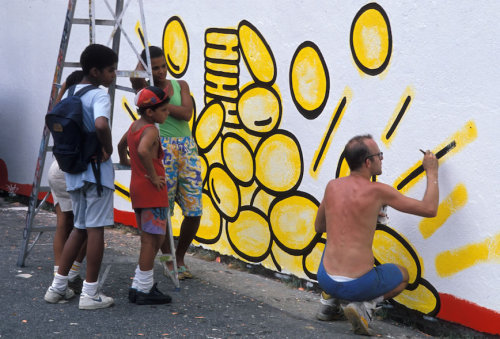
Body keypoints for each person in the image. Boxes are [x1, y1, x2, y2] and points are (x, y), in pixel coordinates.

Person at [314, 134, 439, 335]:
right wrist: (432, 172)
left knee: (335, 243)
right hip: (357, 286)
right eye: (379, 155)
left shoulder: (332, 186)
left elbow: (319, 227)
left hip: (325, 278)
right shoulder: (378, 192)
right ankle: (364, 307)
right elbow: (429, 209)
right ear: (368, 162)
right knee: (403, 276)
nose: (382, 159)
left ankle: (329, 303)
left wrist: (359, 218)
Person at [44, 44, 118, 310]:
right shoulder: (99, 94)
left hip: (73, 170)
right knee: (96, 230)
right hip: (95, 173)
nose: (113, 75)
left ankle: (57, 287)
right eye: (110, 70)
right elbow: (100, 123)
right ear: (96, 71)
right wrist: (107, 148)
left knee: (80, 227)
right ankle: (90, 294)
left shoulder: (71, 90)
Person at [131, 46, 202, 280]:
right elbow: (134, 78)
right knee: (163, 209)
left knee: (194, 210)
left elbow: (186, 113)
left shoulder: (181, 85)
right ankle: (169, 259)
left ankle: (180, 255)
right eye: (155, 68)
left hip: (187, 150)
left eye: (163, 66)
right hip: (161, 150)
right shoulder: (143, 88)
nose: (161, 72)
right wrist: (144, 72)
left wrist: (157, 102)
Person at [117, 86, 172, 305]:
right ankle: (144, 289)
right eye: (165, 110)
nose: (167, 113)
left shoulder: (133, 126)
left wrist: (124, 161)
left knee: (151, 238)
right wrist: (153, 175)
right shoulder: (151, 130)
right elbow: (141, 150)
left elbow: (122, 145)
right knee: (152, 240)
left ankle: (140, 284)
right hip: (152, 190)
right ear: (151, 112)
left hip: (138, 188)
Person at [48, 70, 87, 294]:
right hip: (71, 171)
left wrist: (64, 87)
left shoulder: (61, 108)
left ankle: (59, 273)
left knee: (64, 223)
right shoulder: (81, 106)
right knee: (87, 227)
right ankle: (70, 273)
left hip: (56, 169)